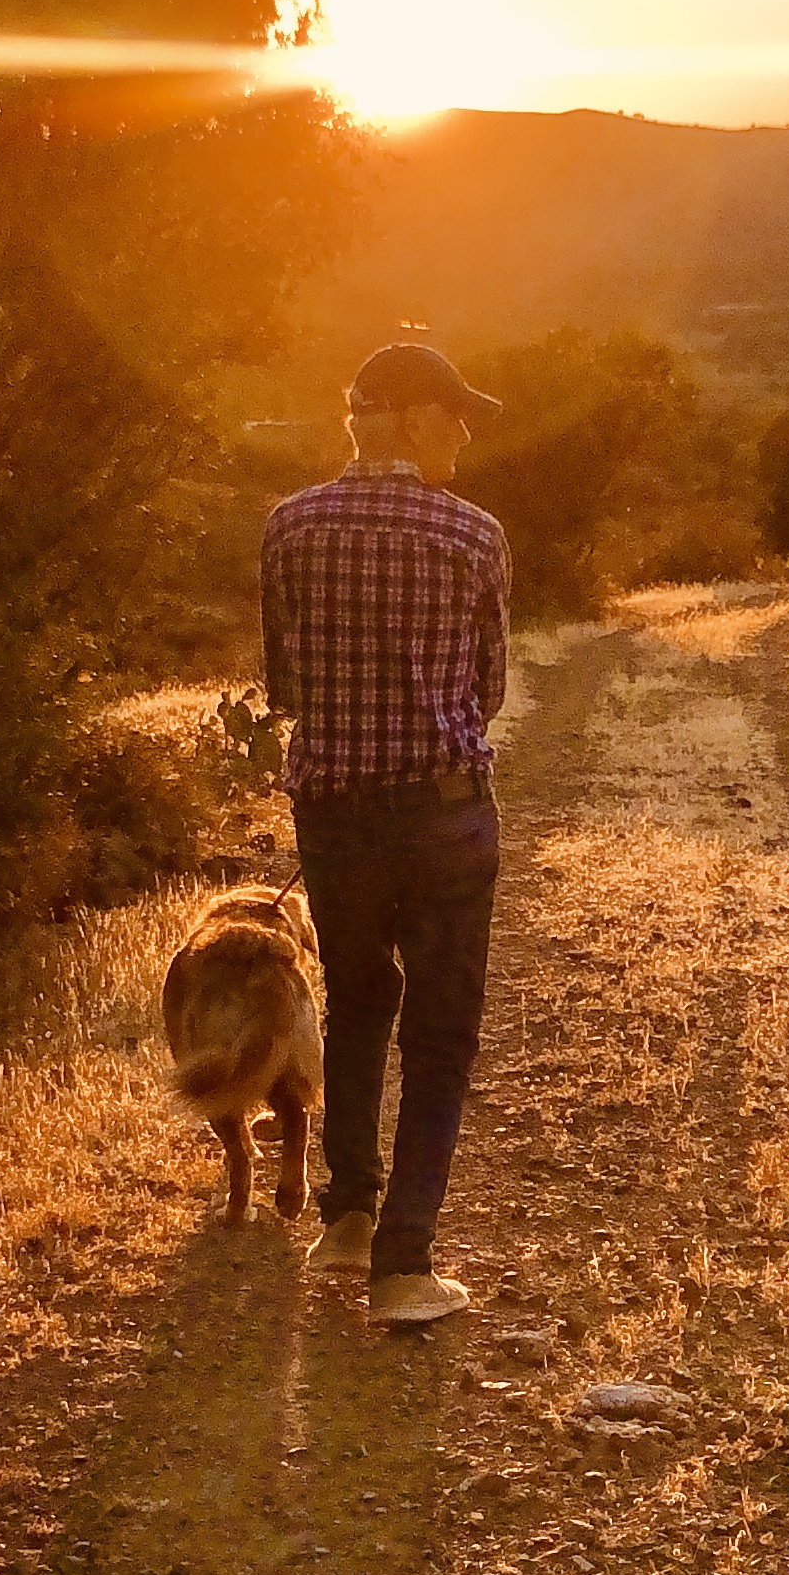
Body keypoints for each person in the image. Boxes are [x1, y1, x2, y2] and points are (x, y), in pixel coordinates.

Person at [259, 338, 511, 1326]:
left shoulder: (288, 527)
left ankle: (350, 1220)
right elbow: (487, 692)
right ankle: (406, 1268)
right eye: (454, 414)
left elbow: (283, 680)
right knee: (442, 1036)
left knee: (361, 999)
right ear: (409, 419)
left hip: (335, 814)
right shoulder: (474, 535)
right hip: (444, 811)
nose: (463, 432)